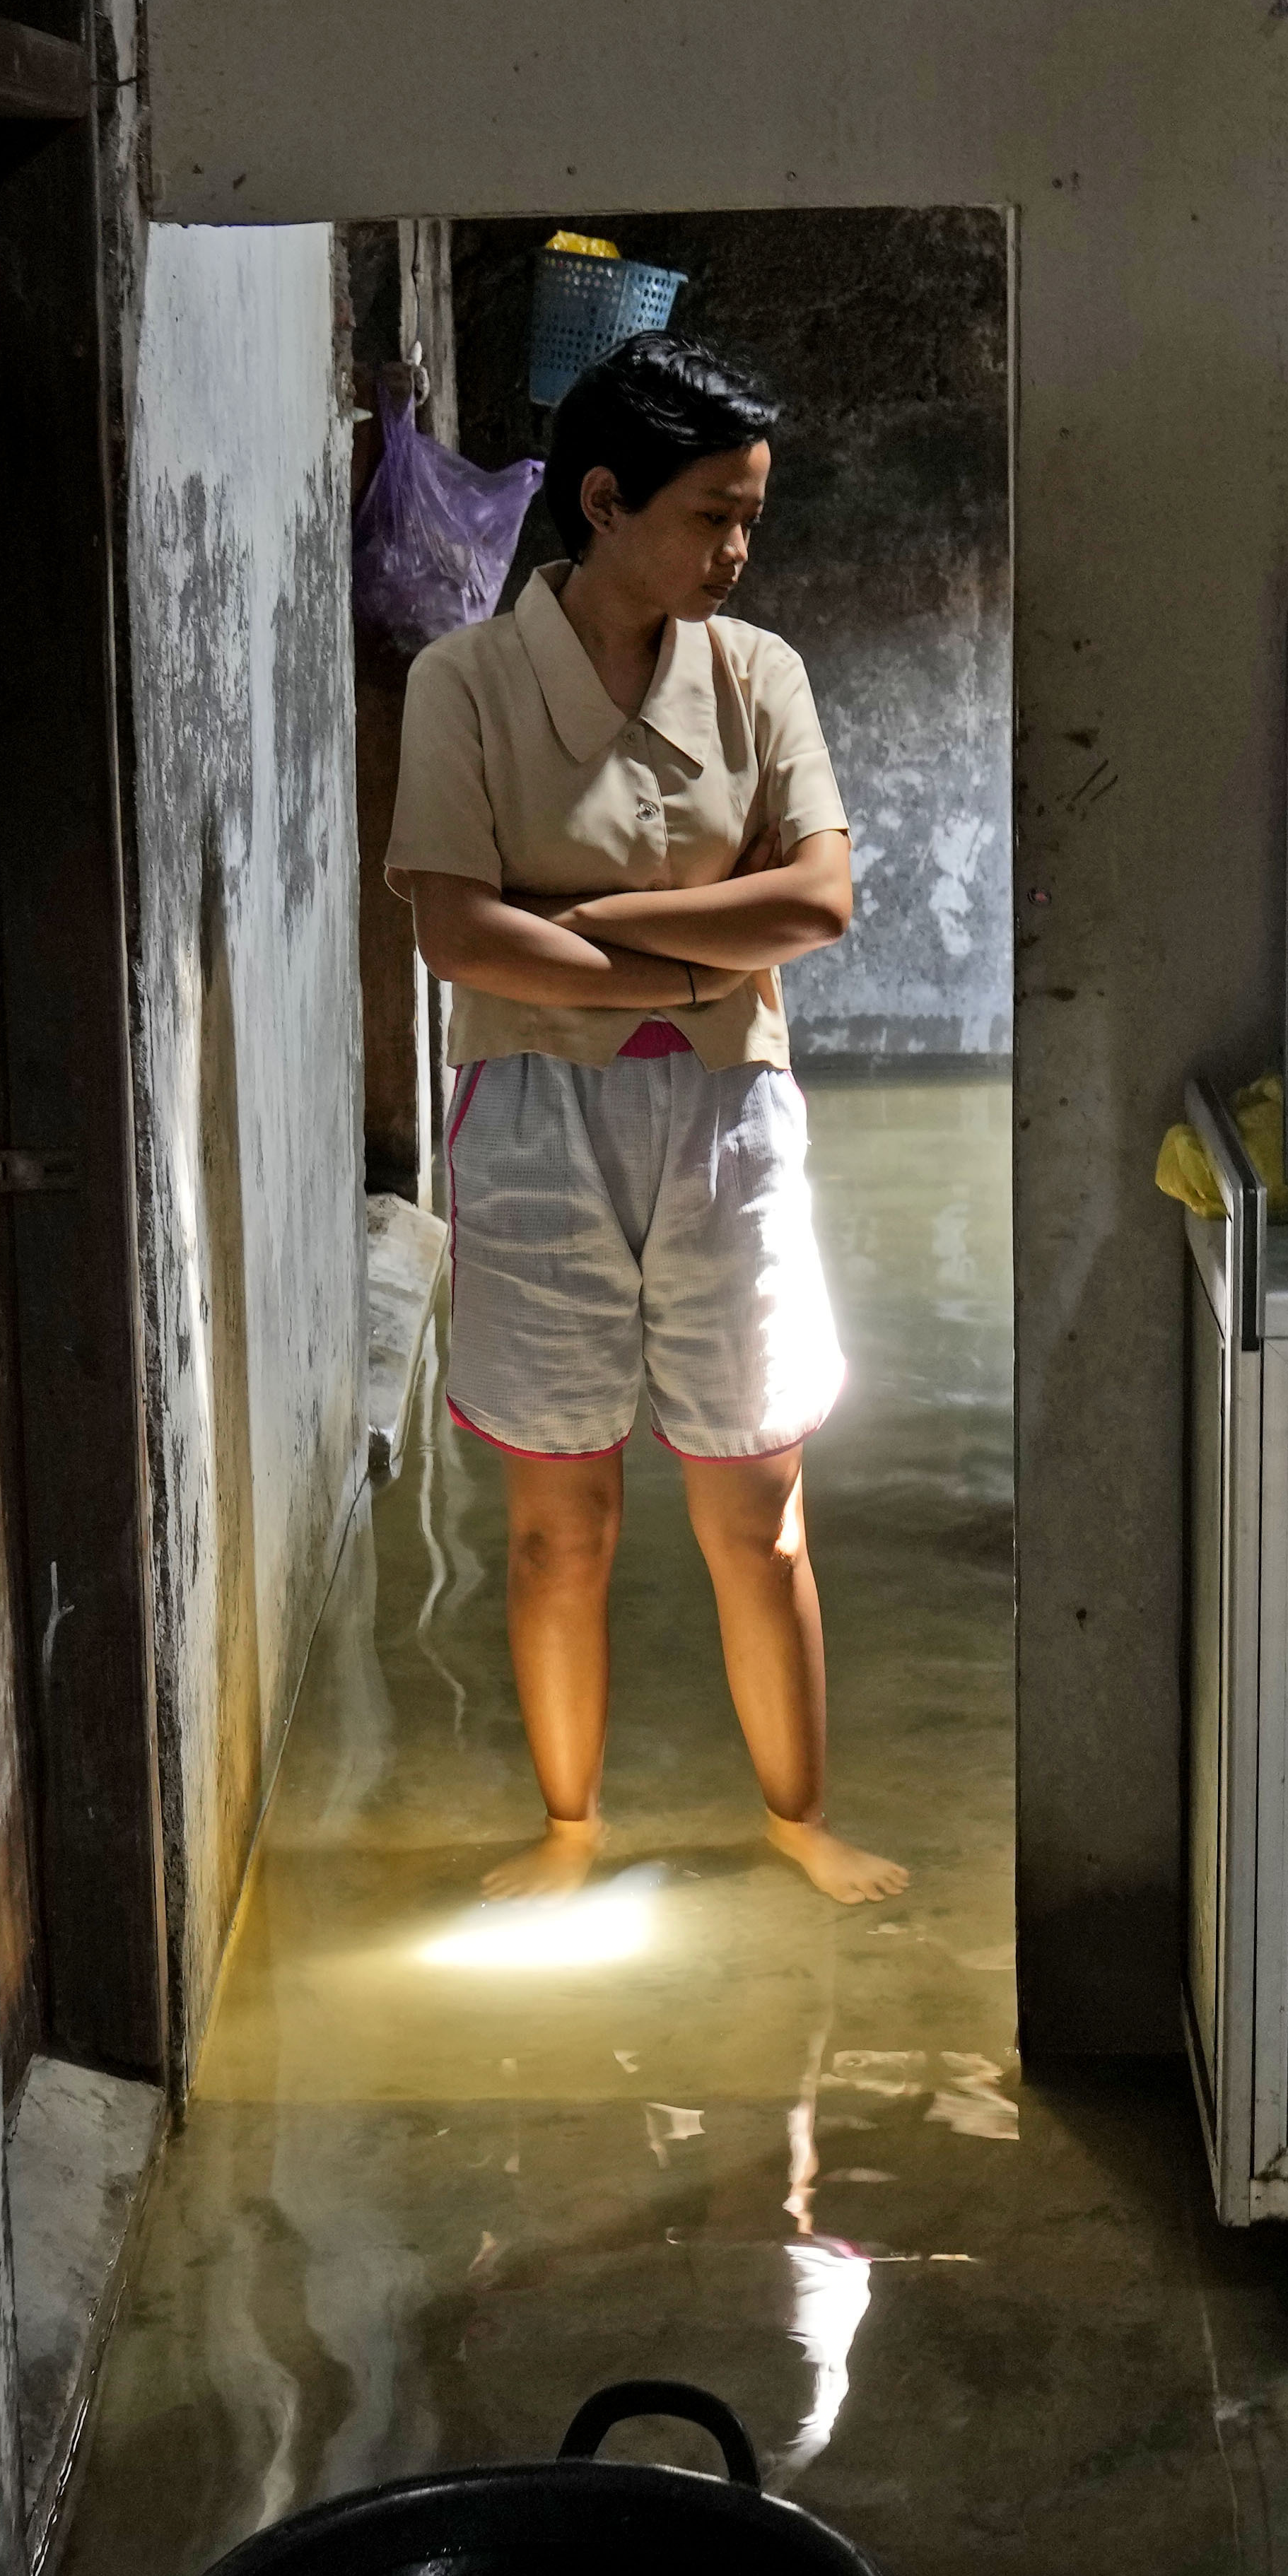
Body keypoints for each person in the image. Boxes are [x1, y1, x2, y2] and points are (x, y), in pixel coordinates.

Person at [386, 332, 907, 1908]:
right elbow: (455, 934)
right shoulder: (466, 682)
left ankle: (797, 1821)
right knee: (562, 1523)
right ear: (603, 501)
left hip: (732, 1117)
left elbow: (820, 897)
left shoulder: (761, 677)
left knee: (759, 1508)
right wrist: (683, 956)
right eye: (710, 515)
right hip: (532, 1117)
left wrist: (584, 928)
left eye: (750, 517)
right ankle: (568, 1831)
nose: (736, 550)